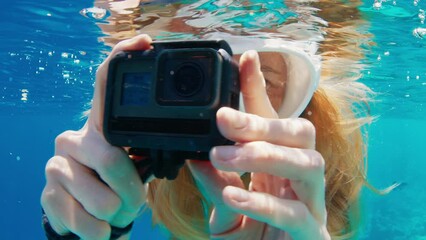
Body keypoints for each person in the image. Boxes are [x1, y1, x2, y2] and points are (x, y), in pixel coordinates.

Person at [41, 1, 390, 239]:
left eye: (260, 82)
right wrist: (87, 225)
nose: (222, 115)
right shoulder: (133, 149)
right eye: (190, 81)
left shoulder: (322, 166)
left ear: (301, 100)